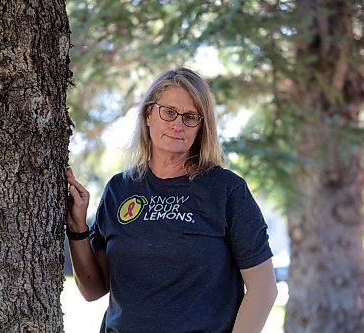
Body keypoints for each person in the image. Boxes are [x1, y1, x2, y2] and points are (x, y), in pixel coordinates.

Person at [65, 67, 278, 333]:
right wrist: (76, 229)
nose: (178, 125)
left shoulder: (226, 190)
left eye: (190, 117)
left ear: (201, 127)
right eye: (168, 112)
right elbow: (94, 289)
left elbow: (263, 289)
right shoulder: (120, 189)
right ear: (148, 115)